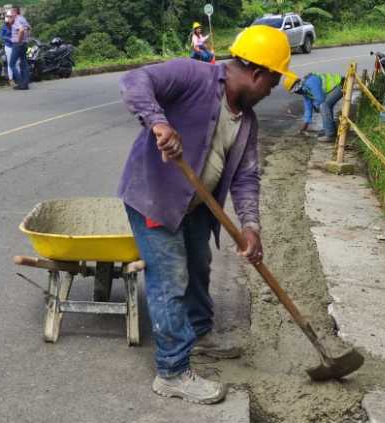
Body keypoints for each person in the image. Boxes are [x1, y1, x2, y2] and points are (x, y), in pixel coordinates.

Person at [119, 25, 298, 404]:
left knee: (199, 265)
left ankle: (198, 332)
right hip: (157, 196)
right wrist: (159, 122)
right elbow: (135, 80)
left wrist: (251, 227)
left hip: (198, 204)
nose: (274, 89)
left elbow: (246, 177)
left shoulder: (247, 121)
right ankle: (171, 370)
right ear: (257, 73)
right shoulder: (193, 75)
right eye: (274, 80)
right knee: (171, 277)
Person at [284, 72, 344, 142]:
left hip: (340, 85)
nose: (296, 92)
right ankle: (329, 129)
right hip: (335, 88)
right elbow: (308, 110)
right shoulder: (305, 91)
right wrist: (304, 127)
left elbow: (320, 99)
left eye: (295, 91)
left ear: (297, 84)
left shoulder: (311, 81)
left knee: (324, 106)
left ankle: (330, 134)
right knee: (324, 106)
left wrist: (316, 106)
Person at [10, 5, 31, 90]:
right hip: (24, 43)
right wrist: (26, 38)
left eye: (11, 12)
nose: (10, 14)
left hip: (18, 44)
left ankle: (20, 83)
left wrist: (19, 41)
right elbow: (29, 28)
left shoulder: (17, 20)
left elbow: (21, 30)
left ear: (15, 12)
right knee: (24, 63)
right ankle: (25, 84)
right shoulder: (23, 18)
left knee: (12, 64)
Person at [0, 10, 15, 84]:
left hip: (16, 46)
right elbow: (2, 36)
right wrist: (9, 38)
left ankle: (17, 77)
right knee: (10, 63)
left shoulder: (15, 25)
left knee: (17, 62)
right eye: (8, 17)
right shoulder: (4, 27)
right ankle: (11, 79)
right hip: (8, 46)